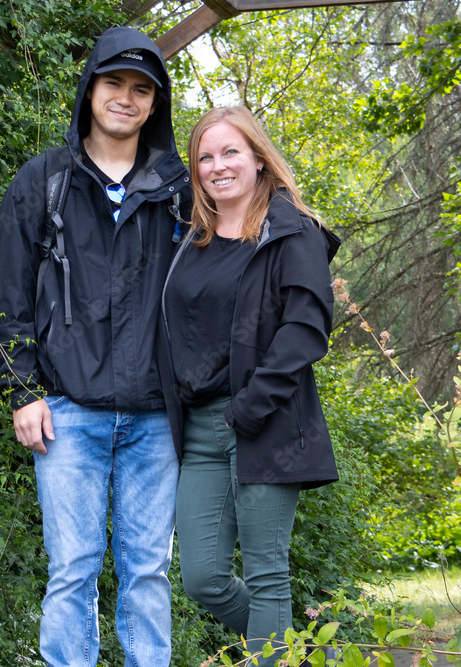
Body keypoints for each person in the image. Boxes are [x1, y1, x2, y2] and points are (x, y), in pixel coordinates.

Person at [0, 26, 191, 667]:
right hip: (66, 410)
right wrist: (22, 391)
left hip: (157, 416)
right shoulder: (44, 180)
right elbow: (7, 295)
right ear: (90, 89)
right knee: (72, 568)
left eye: (141, 89)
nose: (125, 98)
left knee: (148, 571)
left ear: (154, 105)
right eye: (113, 83)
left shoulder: (180, 189)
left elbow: (225, 276)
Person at [160, 105, 341, 665]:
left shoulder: (293, 232)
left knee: (267, 576)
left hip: (265, 422)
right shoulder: (190, 240)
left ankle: (281, 654)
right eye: (205, 157)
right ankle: (304, 656)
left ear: (259, 158)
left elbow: (306, 330)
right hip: (198, 431)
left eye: (230, 152)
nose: (217, 166)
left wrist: (248, 408)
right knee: (203, 578)